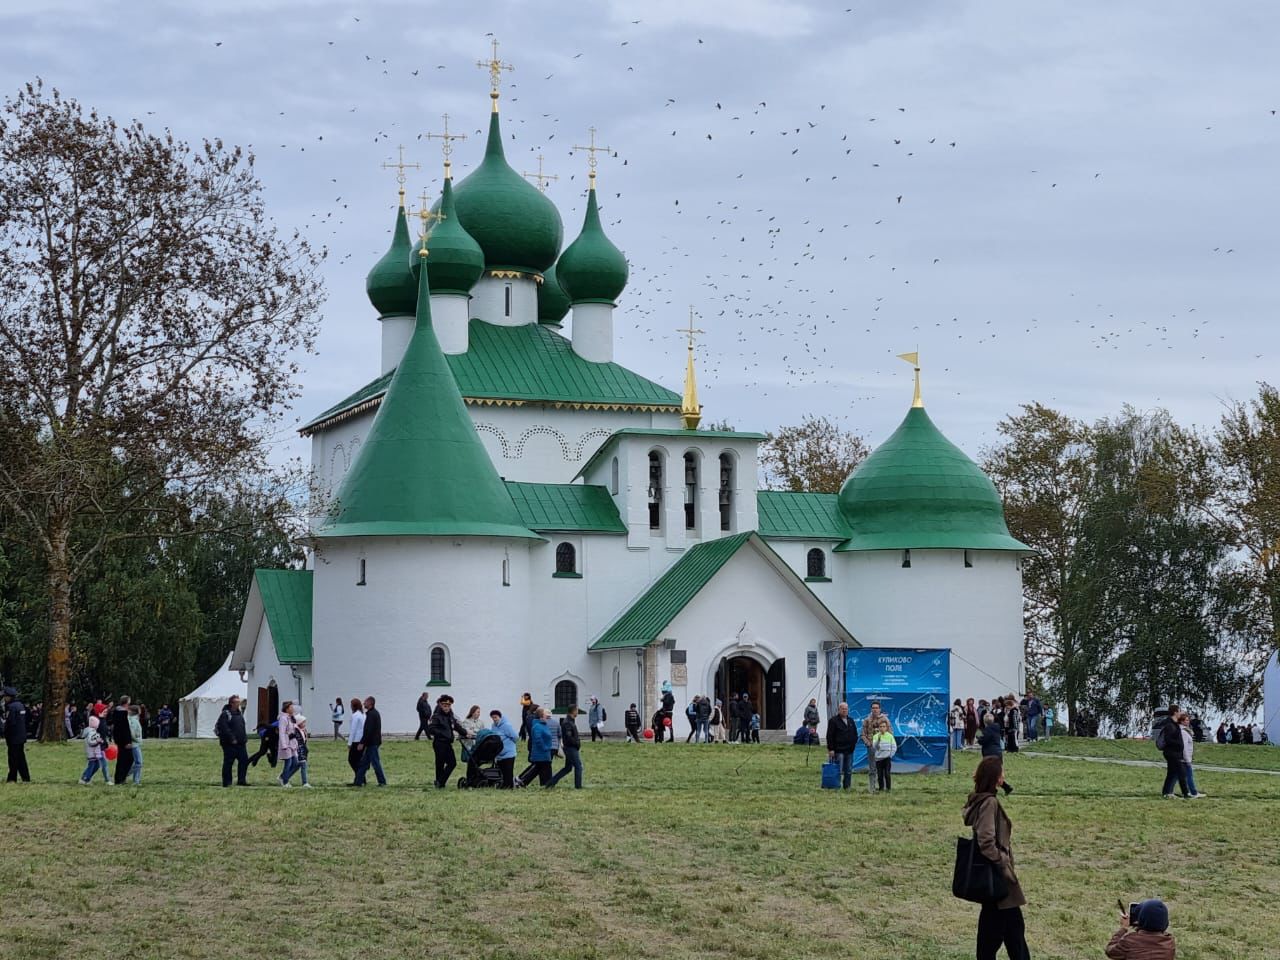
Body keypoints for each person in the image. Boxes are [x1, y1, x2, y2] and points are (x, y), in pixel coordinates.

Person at [962, 757, 1030, 960]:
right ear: (995, 778)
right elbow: (985, 840)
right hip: (997, 876)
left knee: (1010, 931)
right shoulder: (989, 803)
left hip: (995, 877)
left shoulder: (981, 799)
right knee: (1000, 933)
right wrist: (1003, 861)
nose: (1005, 776)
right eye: (1002, 772)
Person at [1105, 899, 1175, 959]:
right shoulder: (1169, 942)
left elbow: (1110, 951)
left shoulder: (1130, 940)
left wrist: (1123, 928)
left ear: (1140, 919)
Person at [427, 694, 470, 788]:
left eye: (449, 706)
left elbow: (456, 726)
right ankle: (440, 783)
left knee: (452, 763)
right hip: (439, 743)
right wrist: (442, 733)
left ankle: (440, 782)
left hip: (447, 743)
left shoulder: (450, 716)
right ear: (441, 705)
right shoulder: (436, 717)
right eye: (445, 706)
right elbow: (430, 729)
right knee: (440, 763)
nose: (447, 708)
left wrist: (465, 733)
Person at [214, 695, 249, 787]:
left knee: (244, 761)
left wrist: (244, 738)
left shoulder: (239, 713)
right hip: (229, 743)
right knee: (229, 762)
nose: (238, 704)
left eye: (239, 702)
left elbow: (241, 727)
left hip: (241, 743)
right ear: (231, 703)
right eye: (237, 702)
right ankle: (227, 781)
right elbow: (224, 728)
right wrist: (232, 738)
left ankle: (241, 780)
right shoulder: (226, 714)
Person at [1156, 703, 1190, 799]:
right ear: (1175, 712)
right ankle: (1185, 793)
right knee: (1181, 773)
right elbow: (1168, 739)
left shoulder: (1174, 724)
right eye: (1179, 711)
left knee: (1171, 773)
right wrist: (1178, 744)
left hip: (1175, 752)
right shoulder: (1170, 725)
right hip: (1172, 753)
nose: (1180, 713)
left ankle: (1166, 792)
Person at [548, 705, 584, 789]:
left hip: (570, 747)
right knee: (578, 766)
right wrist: (576, 743)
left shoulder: (569, 721)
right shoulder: (567, 722)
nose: (577, 712)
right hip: (571, 748)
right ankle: (578, 786)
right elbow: (569, 737)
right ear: (574, 711)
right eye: (577, 710)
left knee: (568, 768)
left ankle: (551, 782)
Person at [353, 695, 385, 787]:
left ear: (370, 703)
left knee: (375, 763)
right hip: (373, 742)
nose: (364, 703)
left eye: (366, 702)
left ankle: (382, 781)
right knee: (364, 763)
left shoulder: (371, 715)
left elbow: (368, 730)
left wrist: (362, 743)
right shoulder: (374, 713)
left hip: (372, 743)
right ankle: (358, 781)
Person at [826, 701, 858, 790]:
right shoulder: (833, 721)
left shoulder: (851, 720)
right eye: (842, 709)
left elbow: (855, 734)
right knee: (838, 770)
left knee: (848, 770)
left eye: (846, 709)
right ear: (839, 709)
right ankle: (836, 786)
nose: (844, 710)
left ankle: (847, 787)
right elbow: (829, 736)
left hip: (849, 750)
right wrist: (831, 749)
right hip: (838, 750)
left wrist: (853, 745)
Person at [519, 707, 554, 787]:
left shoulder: (544, 725)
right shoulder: (537, 726)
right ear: (541, 716)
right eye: (546, 715)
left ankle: (525, 782)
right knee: (543, 768)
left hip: (545, 752)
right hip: (541, 753)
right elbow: (538, 739)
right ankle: (546, 784)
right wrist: (545, 747)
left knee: (538, 769)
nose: (547, 716)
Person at [3, 687, 30, 782]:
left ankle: (12, 778)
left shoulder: (11, 707)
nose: (4, 699)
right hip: (21, 736)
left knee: (13, 758)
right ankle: (25, 777)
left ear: (9, 697)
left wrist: (4, 732)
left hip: (13, 737)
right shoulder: (20, 705)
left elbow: (11, 723)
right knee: (21, 758)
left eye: (5, 697)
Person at [860, 700, 887, 793]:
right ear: (871, 709)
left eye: (876, 708)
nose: (875, 710)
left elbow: (890, 732)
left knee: (882, 768)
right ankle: (872, 788)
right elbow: (863, 734)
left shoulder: (885, 720)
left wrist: (886, 744)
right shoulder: (867, 720)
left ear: (880, 709)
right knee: (872, 768)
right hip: (871, 747)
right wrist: (867, 743)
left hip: (882, 748)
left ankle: (882, 787)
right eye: (873, 708)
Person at [488, 709, 519, 787]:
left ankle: (509, 786)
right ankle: (502, 785)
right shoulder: (493, 726)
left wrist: (508, 744)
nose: (494, 719)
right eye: (493, 718)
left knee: (508, 771)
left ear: (500, 717)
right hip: (499, 753)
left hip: (509, 753)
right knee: (501, 771)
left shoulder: (506, 725)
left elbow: (515, 737)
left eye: (496, 717)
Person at [1178, 712, 1204, 799]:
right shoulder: (1183, 732)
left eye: (1188, 720)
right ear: (1181, 721)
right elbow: (1184, 746)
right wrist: (1187, 759)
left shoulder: (1186, 731)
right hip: (1185, 758)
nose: (1188, 722)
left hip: (1186, 757)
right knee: (1189, 775)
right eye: (1186, 720)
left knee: (1180, 776)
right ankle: (1193, 792)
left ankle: (1188, 792)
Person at [79, 715, 111, 785]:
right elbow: (91, 742)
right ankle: (85, 779)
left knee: (96, 766)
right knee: (92, 766)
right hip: (92, 753)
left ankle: (86, 778)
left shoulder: (93, 731)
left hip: (94, 752)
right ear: (95, 724)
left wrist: (99, 741)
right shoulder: (91, 732)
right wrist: (97, 741)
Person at [110, 696, 136, 785]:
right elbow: (125, 729)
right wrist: (128, 741)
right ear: (126, 702)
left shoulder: (116, 712)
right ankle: (121, 777)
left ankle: (120, 778)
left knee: (122, 759)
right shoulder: (123, 714)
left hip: (119, 739)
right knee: (127, 759)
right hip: (124, 740)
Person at [277, 701, 300, 787]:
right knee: (288, 762)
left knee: (296, 763)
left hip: (292, 743)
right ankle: (285, 781)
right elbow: (282, 732)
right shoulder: (283, 718)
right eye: (291, 707)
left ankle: (283, 776)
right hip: (286, 743)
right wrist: (284, 745)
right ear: (287, 709)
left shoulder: (291, 718)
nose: (293, 709)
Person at [872, 717, 896, 792]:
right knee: (880, 775)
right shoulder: (876, 736)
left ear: (886, 728)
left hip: (887, 758)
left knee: (887, 774)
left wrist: (890, 755)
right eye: (881, 727)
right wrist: (878, 740)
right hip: (878, 759)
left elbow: (894, 747)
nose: (882, 728)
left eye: (884, 726)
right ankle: (881, 788)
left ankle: (888, 788)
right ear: (878, 728)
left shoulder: (890, 736)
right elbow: (874, 747)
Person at [346, 698, 365, 780]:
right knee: (358, 760)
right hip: (361, 740)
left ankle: (359, 777)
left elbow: (353, 730)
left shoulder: (355, 716)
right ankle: (360, 778)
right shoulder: (363, 715)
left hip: (355, 741)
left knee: (351, 760)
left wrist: (349, 743)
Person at [293, 715, 312, 788]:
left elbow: (305, 741)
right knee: (303, 765)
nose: (305, 724)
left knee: (297, 766)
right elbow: (299, 742)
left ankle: (284, 777)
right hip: (299, 751)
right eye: (303, 722)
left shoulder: (303, 730)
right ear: (299, 722)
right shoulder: (296, 730)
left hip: (303, 751)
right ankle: (305, 782)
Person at [127, 705, 144, 785]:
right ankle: (127, 775)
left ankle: (135, 780)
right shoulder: (133, 721)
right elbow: (132, 733)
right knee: (138, 762)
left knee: (137, 762)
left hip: (135, 743)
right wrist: (137, 740)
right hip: (134, 744)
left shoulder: (134, 720)